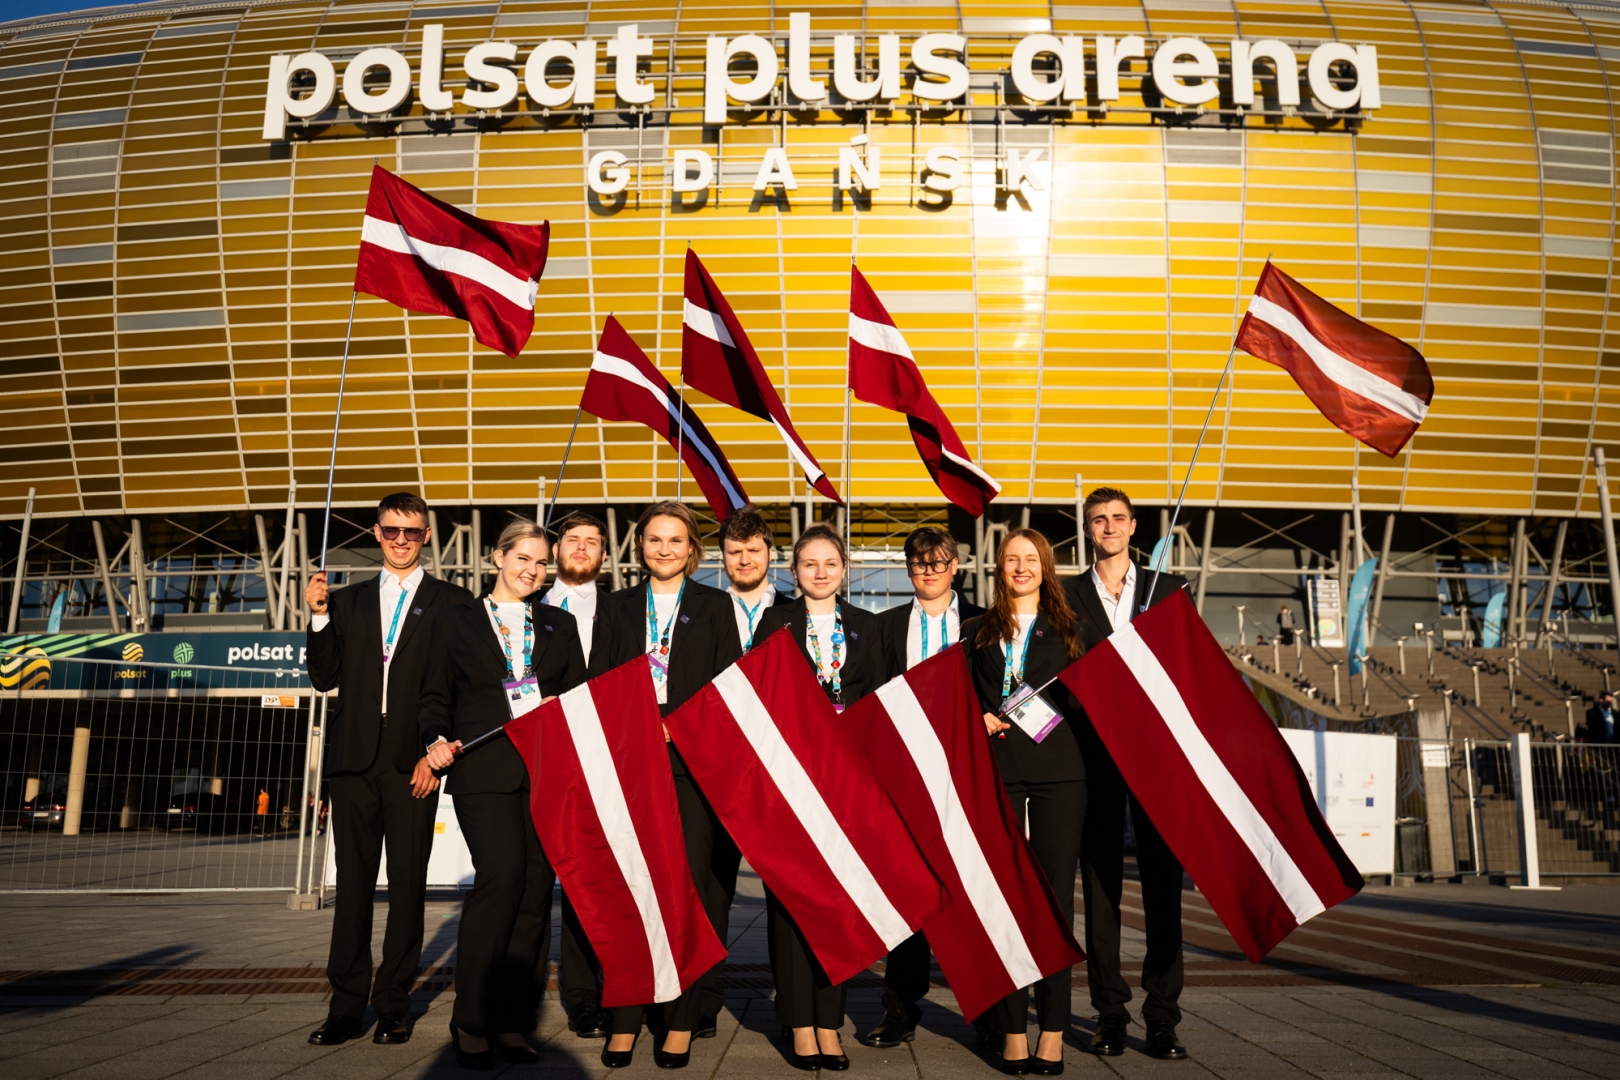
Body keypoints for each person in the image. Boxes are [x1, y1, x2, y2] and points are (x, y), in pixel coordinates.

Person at [304, 492, 471, 1048]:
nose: (402, 540)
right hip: (354, 762)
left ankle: (393, 1006)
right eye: (392, 530)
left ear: (427, 536)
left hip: (413, 765)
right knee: (351, 889)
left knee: (406, 890)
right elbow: (324, 677)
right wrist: (318, 615)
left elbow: (456, 686)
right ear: (375, 533)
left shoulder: (453, 602)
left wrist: (436, 752)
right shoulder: (346, 602)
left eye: (412, 532)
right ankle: (345, 1008)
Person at [419, 520, 587, 1068]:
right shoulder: (455, 620)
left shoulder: (559, 624)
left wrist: (563, 710)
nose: (532, 571)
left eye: (541, 563)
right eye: (522, 558)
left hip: (545, 771)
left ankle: (513, 1020)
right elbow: (434, 694)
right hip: (483, 769)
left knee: (536, 891)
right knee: (502, 877)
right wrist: (434, 740)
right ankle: (471, 1020)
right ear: (498, 557)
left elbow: (578, 696)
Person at [589, 501, 744, 1070]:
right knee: (632, 890)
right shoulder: (616, 605)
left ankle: (681, 1019)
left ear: (692, 549)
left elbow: (727, 685)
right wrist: (635, 726)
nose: (664, 549)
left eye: (675, 540)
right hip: (632, 763)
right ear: (640, 546)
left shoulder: (715, 606)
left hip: (690, 765)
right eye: (655, 539)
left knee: (688, 891)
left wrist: (681, 726)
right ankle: (625, 1019)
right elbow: (600, 681)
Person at [1063, 487, 1190, 1061]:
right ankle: (1109, 1013)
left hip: (1157, 758)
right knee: (1101, 888)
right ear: (1088, 529)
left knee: (1163, 885)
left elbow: (1188, 670)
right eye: (1099, 520)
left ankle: (1162, 1016)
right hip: (1092, 755)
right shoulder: (1067, 595)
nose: (1109, 527)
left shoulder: (1169, 589)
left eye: (1118, 518)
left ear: (1134, 526)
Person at [755, 524, 884, 1072]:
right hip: (790, 781)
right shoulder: (774, 623)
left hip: (844, 785)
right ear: (794, 571)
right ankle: (799, 1022)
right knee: (790, 902)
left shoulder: (866, 627)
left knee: (838, 902)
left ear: (844, 569)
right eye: (809, 563)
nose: (821, 572)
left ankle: (829, 1020)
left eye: (830, 563)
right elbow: (758, 696)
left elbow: (876, 700)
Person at [965, 528, 1085, 1076]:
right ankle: (1013, 1030)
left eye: (1030, 559)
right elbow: (963, 696)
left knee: (1055, 900)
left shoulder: (1070, 627)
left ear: (1045, 566)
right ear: (999, 568)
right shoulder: (978, 630)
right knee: (1007, 898)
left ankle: (1052, 1032)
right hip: (1001, 773)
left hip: (1061, 773)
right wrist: (978, 716)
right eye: (1011, 559)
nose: (1021, 567)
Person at [865, 525, 984, 1049]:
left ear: (954, 566)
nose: (929, 571)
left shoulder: (983, 622)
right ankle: (900, 1007)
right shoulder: (885, 626)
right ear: (908, 569)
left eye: (937, 563)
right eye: (919, 564)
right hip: (906, 776)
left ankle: (987, 1010)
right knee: (910, 892)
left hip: (966, 774)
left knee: (971, 893)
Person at [539, 511, 614, 1042]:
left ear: (604, 555)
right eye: (573, 540)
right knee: (527, 886)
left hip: (602, 759)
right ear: (555, 549)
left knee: (591, 884)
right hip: (537, 759)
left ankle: (586, 997)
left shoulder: (623, 611)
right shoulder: (524, 606)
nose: (582, 548)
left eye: (592, 541)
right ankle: (513, 999)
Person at [720, 505, 794, 653]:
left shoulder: (796, 614)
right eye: (735, 552)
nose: (745, 560)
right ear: (723, 556)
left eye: (753, 551)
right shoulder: (704, 615)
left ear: (770, 553)